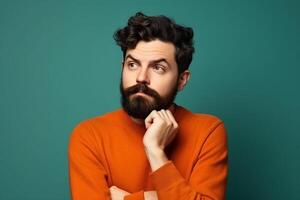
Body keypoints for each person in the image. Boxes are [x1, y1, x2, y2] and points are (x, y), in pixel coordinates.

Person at [68, 12, 228, 200]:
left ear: (181, 80)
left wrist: (154, 151)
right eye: (133, 64)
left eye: (158, 67)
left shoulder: (208, 132)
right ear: (122, 67)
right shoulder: (89, 136)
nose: (141, 77)